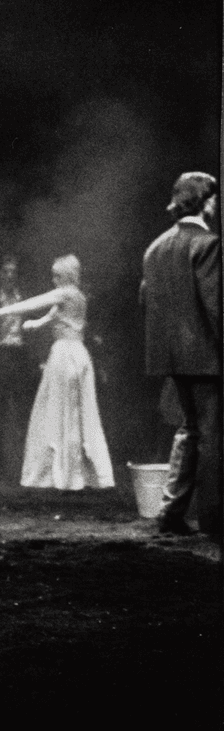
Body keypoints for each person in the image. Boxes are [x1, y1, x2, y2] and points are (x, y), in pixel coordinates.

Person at [141, 171, 222, 542]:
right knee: (211, 436)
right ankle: (214, 520)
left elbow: (146, 302)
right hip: (206, 357)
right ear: (205, 202)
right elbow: (216, 307)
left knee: (189, 431)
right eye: (215, 199)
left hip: (172, 359)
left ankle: (170, 513)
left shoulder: (155, 248)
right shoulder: (208, 244)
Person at [0, 255, 115, 490]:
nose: (53, 280)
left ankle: (68, 474)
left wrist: (1, 313)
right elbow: (53, 316)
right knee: (73, 413)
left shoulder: (67, 293)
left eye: (57, 275)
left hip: (67, 355)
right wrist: (36, 325)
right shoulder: (77, 297)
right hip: (77, 354)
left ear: (66, 275)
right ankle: (74, 472)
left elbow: (35, 303)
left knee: (62, 411)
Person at [0, 255, 36, 481]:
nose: (10, 276)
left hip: (21, 361)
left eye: (14, 272)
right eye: (6, 272)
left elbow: (36, 334)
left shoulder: (28, 301)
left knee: (24, 417)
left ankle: (26, 469)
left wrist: (37, 359)